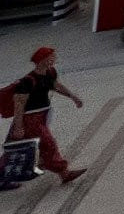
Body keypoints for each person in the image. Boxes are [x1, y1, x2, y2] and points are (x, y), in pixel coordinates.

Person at [5, 47, 86, 184]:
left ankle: (8, 176)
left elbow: (55, 85)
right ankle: (64, 173)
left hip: (43, 115)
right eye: (51, 58)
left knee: (27, 149)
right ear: (41, 60)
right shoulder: (27, 81)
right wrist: (19, 127)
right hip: (31, 119)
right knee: (49, 144)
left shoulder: (50, 73)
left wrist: (72, 97)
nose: (54, 60)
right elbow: (19, 105)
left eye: (54, 58)